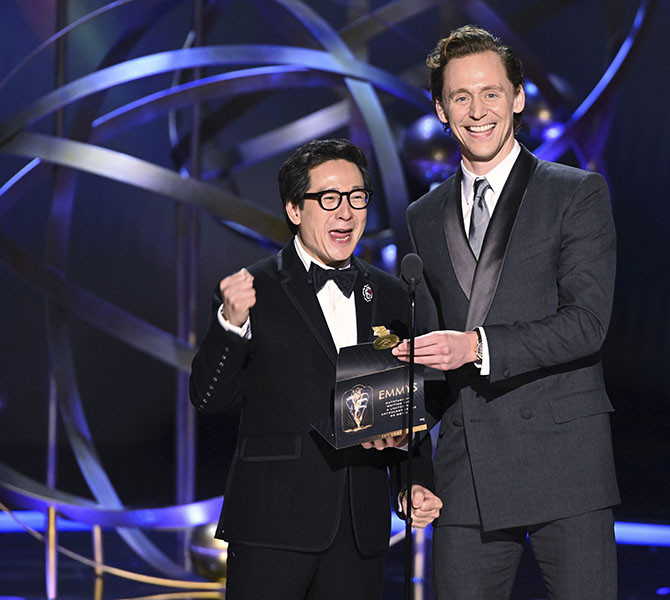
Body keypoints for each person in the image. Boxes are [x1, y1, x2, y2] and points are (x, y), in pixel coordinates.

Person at [392, 25, 620, 599]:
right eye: (461, 98)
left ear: (518, 99)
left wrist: (478, 346)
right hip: (467, 472)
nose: (477, 111)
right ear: (440, 111)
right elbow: (431, 358)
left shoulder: (575, 193)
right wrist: (413, 467)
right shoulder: (424, 214)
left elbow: (586, 324)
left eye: (491, 93)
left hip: (564, 464)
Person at [189, 138, 442, 600]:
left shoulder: (389, 293)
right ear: (294, 209)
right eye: (328, 198)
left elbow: (401, 405)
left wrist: (413, 481)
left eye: (357, 197)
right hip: (273, 525)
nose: (345, 212)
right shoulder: (254, 288)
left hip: (360, 529)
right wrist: (231, 325)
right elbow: (208, 398)